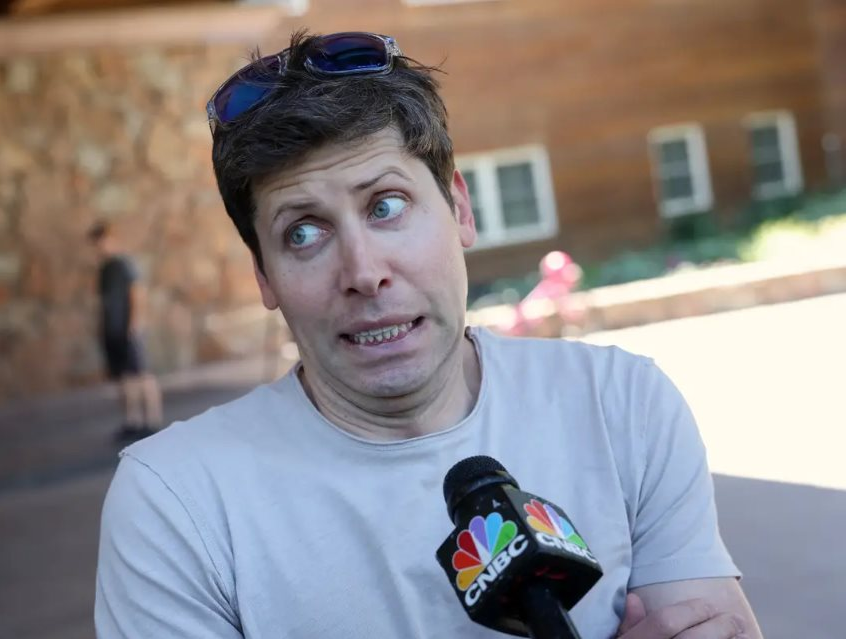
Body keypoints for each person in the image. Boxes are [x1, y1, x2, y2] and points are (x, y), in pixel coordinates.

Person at [95, 31, 762, 638]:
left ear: (459, 208)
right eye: (303, 232)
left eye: (386, 206)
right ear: (264, 276)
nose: (363, 273)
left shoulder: (622, 405)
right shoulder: (177, 503)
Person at [88, 221, 163, 441]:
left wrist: (135, 323)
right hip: (112, 330)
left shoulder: (124, 263)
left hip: (128, 329)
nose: (99, 247)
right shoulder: (105, 269)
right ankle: (133, 421)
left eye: (101, 242)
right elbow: (103, 301)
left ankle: (153, 421)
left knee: (141, 374)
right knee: (123, 377)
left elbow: (137, 292)